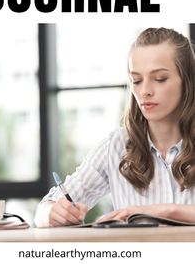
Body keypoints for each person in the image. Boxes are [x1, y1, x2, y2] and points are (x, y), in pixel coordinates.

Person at [34, 27, 195, 227]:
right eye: (136, 80)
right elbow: (42, 211)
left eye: (160, 79)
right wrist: (52, 213)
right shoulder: (116, 146)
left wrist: (162, 212)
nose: (144, 91)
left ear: (187, 81)